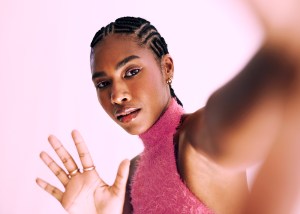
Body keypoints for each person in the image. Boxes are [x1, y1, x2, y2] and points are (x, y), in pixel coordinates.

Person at [36, 2, 300, 213]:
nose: (116, 95)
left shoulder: (197, 141)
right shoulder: (131, 174)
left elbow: (266, 85)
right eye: (103, 83)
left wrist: (281, 51)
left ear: (167, 67)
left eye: (132, 71)